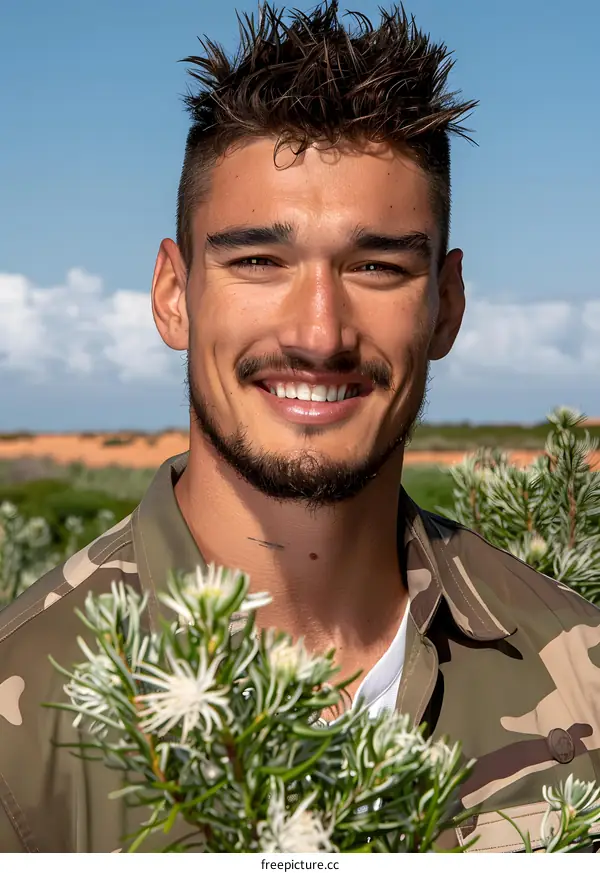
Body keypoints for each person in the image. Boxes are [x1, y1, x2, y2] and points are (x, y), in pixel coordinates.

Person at [1, 1, 600, 854]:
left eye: (377, 266)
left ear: (447, 306)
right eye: (257, 261)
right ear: (174, 294)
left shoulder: (582, 671)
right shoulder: (20, 721)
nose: (319, 333)